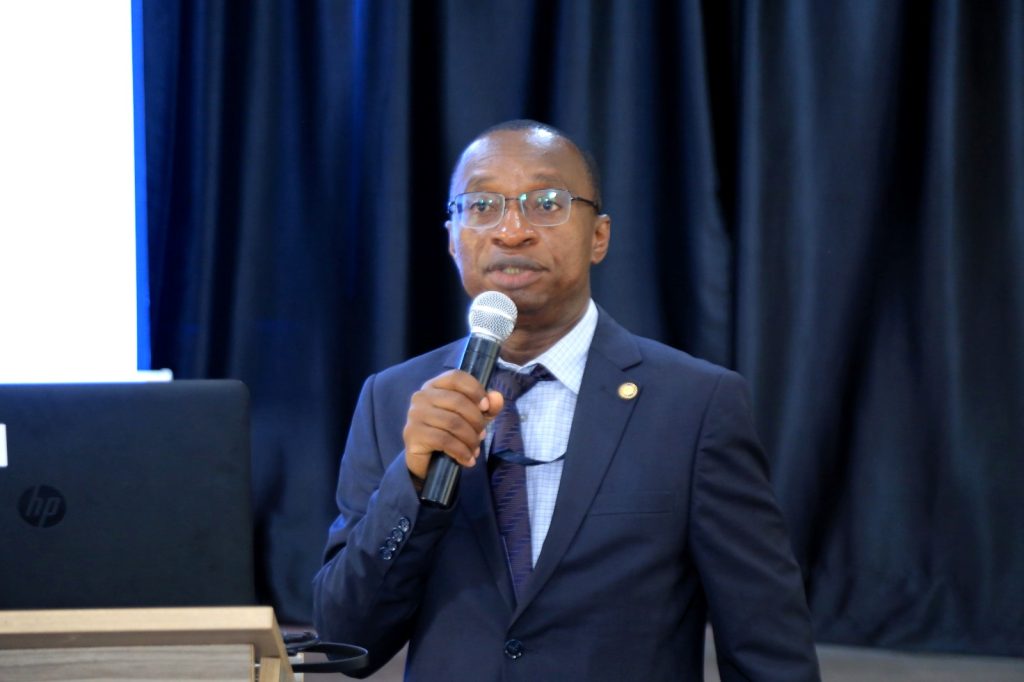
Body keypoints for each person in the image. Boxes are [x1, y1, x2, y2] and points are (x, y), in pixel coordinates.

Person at [313, 119, 821, 680]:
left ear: (599, 236)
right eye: (482, 206)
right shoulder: (393, 400)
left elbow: (768, 647)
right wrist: (408, 488)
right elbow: (345, 639)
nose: (511, 231)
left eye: (546, 203)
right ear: (452, 237)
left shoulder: (697, 405)